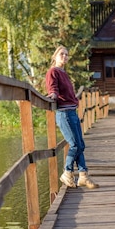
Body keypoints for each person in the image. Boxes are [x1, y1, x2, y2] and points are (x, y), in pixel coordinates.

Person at [45, 45, 99, 189]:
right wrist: (53, 95)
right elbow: (53, 89)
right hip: (64, 114)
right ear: (55, 56)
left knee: (80, 144)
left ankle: (83, 176)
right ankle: (67, 173)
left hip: (72, 112)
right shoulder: (53, 72)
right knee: (74, 145)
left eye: (66, 54)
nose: (64, 57)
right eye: (62, 54)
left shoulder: (63, 72)